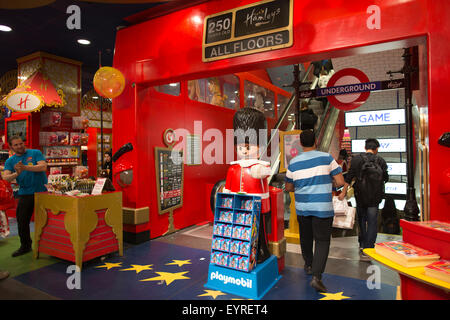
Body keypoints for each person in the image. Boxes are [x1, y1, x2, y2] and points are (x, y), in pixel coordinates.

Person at [285, 130, 345, 293]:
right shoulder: (326, 158)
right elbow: (340, 181)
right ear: (316, 142)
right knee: (322, 241)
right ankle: (317, 277)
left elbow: (289, 187)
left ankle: (309, 265)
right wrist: (340, 190)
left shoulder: (294, 162)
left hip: (303, 208)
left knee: (305, 237)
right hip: (322, 208)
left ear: (301, 144)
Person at [223, 107, 272, 264]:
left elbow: (265, 172)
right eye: (240, 147)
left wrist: (261, 171)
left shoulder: (260, 165)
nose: (243, 151)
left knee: (259, 230)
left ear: (260, 148)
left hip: (256, 205)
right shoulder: (234, 167)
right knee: (240, 230)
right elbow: (229, 186)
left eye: (248, 147)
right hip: (238, 205)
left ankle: (261, 252)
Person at [338, 138, 389, 261]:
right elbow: (386, 178)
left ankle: (362, 245)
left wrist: (344, 192)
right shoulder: (380, 160)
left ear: (365, 148)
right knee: (372, 222)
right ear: (376, 149)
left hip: (360, 196)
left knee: (361, 220)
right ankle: (369, 248)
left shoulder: (357, 160)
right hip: (375, 197)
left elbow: (349, 177)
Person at [3, 136, 48, 257]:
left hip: (43, 192)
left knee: (47, 221)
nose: (19, 146)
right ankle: (25, 246)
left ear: (24, 143)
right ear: (11, 147)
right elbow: (5, 177)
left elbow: (43, 166)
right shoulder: (10, 161)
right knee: (22, 221)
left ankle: (49, 245)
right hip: (25, 193)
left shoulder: (35, 152)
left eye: (21, 143)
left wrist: (24, 167)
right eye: (16, 145)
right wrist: (16, 173)